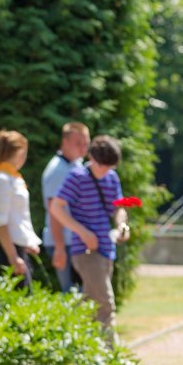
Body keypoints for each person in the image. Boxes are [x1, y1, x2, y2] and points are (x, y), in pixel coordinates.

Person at [50, 135, 128, 344]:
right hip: (84, 251)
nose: (105, 170)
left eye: (109, 167)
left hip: (106, 248)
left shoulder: (112, 177)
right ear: (92, 158)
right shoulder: (76, 177)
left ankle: (70, 341)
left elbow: (118, 207)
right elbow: (56, 207)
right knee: (105, 302)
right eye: (102, 166)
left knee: (89, 302)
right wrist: (82, 232)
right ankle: (112, 355)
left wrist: (122, 225)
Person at [0, 130, 40, 291]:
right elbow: (0, 222)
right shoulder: (1, 178)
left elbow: (16, 217)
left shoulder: (10, 176)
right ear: (18, 152)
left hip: (12, 247)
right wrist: (13, 257)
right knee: (20, 300)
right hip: (5, 248)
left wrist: (26, 241)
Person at [42, 122, 90, 292]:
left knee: (83, 291)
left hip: (75, 240)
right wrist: (60, 247)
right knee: (70, 292)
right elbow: (54, 211)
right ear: (65, 142)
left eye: (86, 144)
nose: (83, 149)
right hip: (64, 242)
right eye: (78, 144)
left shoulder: (77, 165)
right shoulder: (58, 170)